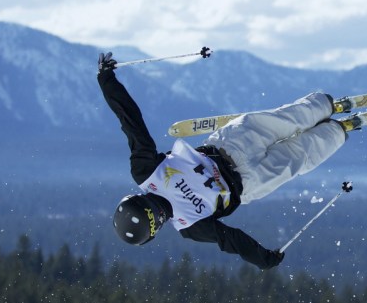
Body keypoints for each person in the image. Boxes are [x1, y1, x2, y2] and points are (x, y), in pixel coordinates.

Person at [97, 52, 348, 269]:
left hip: (247, 180)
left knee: (299, 156)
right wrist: (107, 81)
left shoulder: (187, 224)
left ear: (155, 229)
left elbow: (231, 240)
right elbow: (132, 124)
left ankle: (336, 131)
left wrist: (263, 258)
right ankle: (324, 105)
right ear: (136, 199)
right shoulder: (147, 175)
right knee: (286, 122)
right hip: (229, 148)